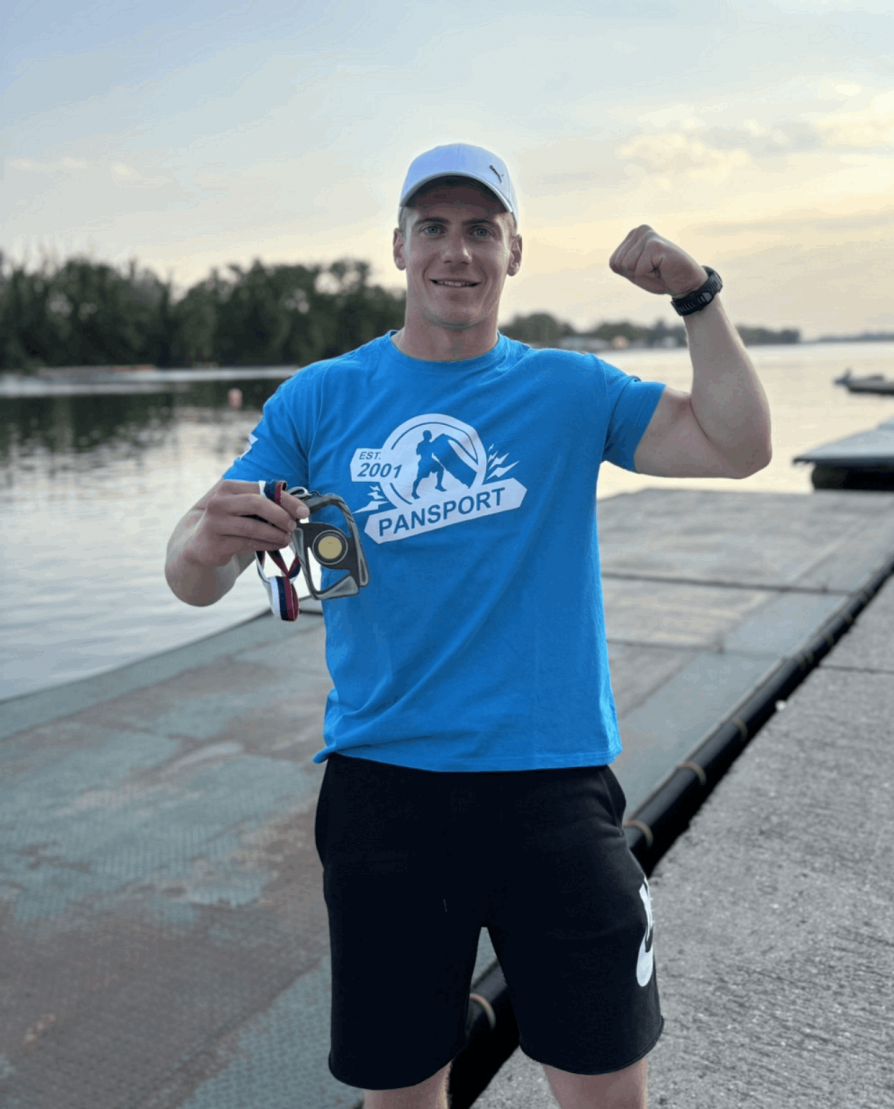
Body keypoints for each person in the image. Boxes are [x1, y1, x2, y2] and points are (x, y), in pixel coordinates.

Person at [165, 143, 771, 1109]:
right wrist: (204, 544)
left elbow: (739, 446)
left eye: (481, 230)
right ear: (399, 248)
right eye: (434, 228)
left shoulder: (571, 389)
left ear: (513, 251)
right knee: (402, 1094)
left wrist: (698, 297)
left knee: (607, 1091)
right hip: (385, 794)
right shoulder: (321, 396)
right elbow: (194, 573)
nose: (457, 251)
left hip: (554, 789)